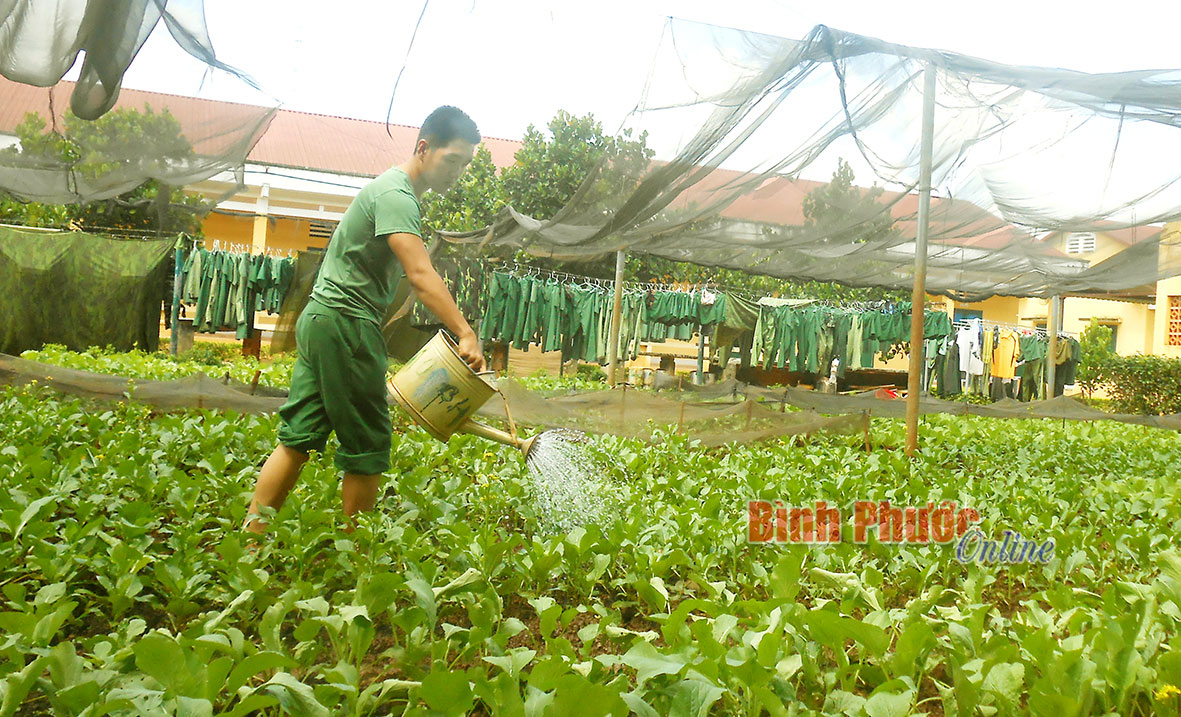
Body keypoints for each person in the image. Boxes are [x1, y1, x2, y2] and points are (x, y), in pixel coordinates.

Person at [244, 106, 487, 535]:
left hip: (324, 318)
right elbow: (420, 274)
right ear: (424, 148)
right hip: (347, 324)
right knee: (369, 443)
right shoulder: (397, 196)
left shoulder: (390, 190)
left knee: (298, 436)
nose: (458, 173)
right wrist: (464, 332)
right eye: (453, 161)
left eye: (465, 165)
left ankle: (251, 540)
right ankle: (359, 555)